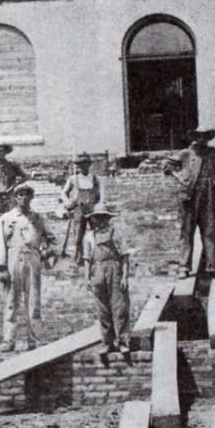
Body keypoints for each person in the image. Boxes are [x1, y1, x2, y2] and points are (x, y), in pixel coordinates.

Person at [0, 182, 55, 352]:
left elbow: (52, 239)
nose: (23, 198)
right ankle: (8, 340)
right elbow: (0, 243)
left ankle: (35, 338)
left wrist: (46, 253)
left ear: (31, 197)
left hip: (33, 258)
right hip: (13, 258)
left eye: (27, 194)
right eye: (20, 195)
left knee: (34, 300)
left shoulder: (38, 218)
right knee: (11, 301)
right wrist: (1, 266)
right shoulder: (6, 218)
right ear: (15, 197)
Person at [166, 126, 215, 278]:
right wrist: (181, 178)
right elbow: (168, 167)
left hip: (208, 194)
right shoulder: (186, 154)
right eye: (199, 136)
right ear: (194, 137)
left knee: (210, 230)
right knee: (187, 231)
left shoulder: (214, 153)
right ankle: (184, 266)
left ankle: (212, 266)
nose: (202, 139)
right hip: (189, 196)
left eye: (205, 137)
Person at [83, 203, 132, 364]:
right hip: (97, 271)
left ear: (108, 218)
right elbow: (87, 259)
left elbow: (124, 256)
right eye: (97, 217)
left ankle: (123, 342)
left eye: (103, 217)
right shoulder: (89, 236)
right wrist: (86, 278)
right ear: (94, 219)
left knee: (120, 307)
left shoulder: (116, 233)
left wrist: (125, 276)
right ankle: (107, 343)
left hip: (114, 269)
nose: (100, 220)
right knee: (102, 310)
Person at [60, 153, 102, 264]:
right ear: (78, 166)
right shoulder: (73, 179)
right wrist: (68, 203)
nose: (83, 166)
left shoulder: (94, 178)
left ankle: (96, 257)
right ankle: (79, 259)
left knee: (96, 233)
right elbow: (63, 193)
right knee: (78, 235)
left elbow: (98, 195)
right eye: (80, 164)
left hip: (92, 210)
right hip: (78, 209)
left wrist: (93, 203)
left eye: (85, 164)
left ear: (89, 165)